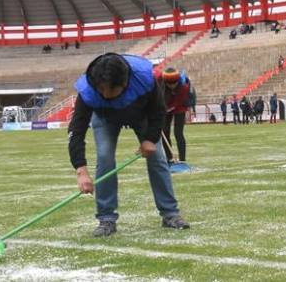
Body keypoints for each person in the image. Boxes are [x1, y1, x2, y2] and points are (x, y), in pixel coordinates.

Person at [68, 53, 189, 237]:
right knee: (105, 157)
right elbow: (76, 130)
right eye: (102, 90)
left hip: (142, 115)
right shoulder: (87, 90)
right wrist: (81, 170)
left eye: (112, 91)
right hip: (105, 118)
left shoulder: (144, 78)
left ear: (125, 83)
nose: (106, 96)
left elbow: (158, 111)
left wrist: (149, 139)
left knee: (157, 157)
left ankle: (170, 213)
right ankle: (106, 218)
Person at [156, 68, 195, 165]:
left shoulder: (184, 86)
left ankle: (182, 160)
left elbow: (180, 101)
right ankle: (169, 159)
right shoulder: (158, 82)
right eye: (169, 83)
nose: (172, 85)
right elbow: (154, 98)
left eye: (174, 83)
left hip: (180, 106)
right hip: (165, 106)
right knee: (164, 132)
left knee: (178, 133)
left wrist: (168, 108)